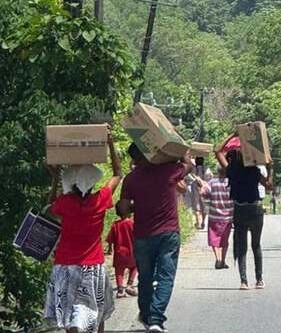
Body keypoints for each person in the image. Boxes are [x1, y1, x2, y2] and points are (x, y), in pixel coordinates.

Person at [45, 128, 122, 333]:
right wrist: (110, 143)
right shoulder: (101, 200)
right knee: (97, 312)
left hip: (64, 267)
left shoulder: (65, 204)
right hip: (92, 267)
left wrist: (55, 177)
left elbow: (51, 204)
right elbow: (118, 173)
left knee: (71, 316)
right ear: (92, 182)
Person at [118, 144, 194, 333]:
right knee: (165, 277)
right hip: (168, 234)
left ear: (135, 158)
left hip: (143, 235)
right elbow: (189, 165)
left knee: (145, 277)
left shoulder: (131, 179)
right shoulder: (169, 171)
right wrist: (181, 148)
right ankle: (156, 319)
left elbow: (124, 211)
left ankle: (146, 316)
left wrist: (139, 204)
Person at [216, 137, 273, 290]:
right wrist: (270, 168)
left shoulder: (231, 171)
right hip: (255, 210)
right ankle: (259, 279)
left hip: (239, 210)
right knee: (256, 245)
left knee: (242, 247)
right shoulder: (254, 170)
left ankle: (244, 281)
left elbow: (217, 151)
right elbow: (269, 186)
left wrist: (231, 135)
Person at [201, 165, 233, 270]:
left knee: (214, 238)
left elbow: (204, 194)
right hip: (227, 216)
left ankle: (217, 259)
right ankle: (223, 260)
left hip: (214, 215)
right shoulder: (231, 182)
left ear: (218, 172)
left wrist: (201, 186)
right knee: (225, 239)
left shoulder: (212, 182)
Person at [106, 205, 137, 298]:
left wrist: (110, 249)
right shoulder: (133, 224)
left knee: (119, 271)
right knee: (135, 267)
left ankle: (120, 290)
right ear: (131, 212)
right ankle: (129, 285)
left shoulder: (115, 225)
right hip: (132, 252)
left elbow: (110, 239)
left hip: (119, 253)